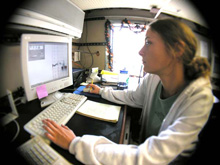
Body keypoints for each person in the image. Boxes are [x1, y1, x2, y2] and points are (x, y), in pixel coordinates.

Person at [42, 18, 213, 164]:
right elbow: (133, 97)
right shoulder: (154, 78)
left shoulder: (200, 99)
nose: (140, 51)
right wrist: (101, 91)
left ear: (177, 49)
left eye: (148, 42)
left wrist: (75, 144)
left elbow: (152, 157)